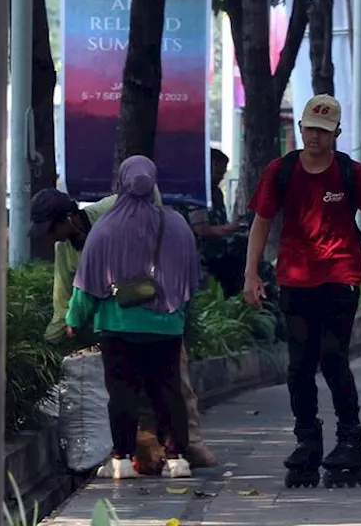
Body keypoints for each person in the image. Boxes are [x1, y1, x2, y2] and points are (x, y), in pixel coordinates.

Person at [243, 94, 361, 489]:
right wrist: (251, 273)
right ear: (300, 129)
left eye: (324, 131)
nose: (315, 137)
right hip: (295, 279)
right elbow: (262, 222)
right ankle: (307, 441)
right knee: (298, 367)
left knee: (333, 359)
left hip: (340, 276)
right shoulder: (280, 171)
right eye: (309, 129)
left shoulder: (353, 173)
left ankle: (350, 439)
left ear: (337, 133)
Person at [30, 186, 218, 473]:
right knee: (133, 392)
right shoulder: (64, 249)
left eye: (52, 228)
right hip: (120, 323)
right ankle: (152, 453)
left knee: (173, 385)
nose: (50, 237)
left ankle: (188, 446)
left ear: (68, 218)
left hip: (155, 312)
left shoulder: (109, 214)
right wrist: (52, 340)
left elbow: (149, 191)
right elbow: (65, 297)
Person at [65, 156, 202, 480]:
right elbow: (191, 278)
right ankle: (177, 458)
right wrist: (176, 312)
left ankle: (122, 459)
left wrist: (75, 318)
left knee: (123, 393)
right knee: (168, 390)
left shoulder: (106, 229)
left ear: (122, 183)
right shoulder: (177, 225)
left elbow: (87, 283)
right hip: (166, 325)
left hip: (118, 325)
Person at [182, 148, 249, 297]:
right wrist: (230, 228)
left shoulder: (216, 193)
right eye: (218, 173)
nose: (221, 178)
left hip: (219, 252)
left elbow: (220, 222)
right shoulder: (195, 192)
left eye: (223, 174)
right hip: (199, 258)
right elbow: (202, 230)